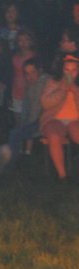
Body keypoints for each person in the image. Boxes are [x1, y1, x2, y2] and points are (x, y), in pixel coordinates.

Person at [40, 53, 79, 181]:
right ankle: (62, 176)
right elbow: (45, 103)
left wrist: (75, 91)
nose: (70, 74)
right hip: (54, 118)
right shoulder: (53, 82)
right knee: (53, 134)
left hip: (75, 120)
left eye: (74, 70)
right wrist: (61, 90)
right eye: (66, 70)